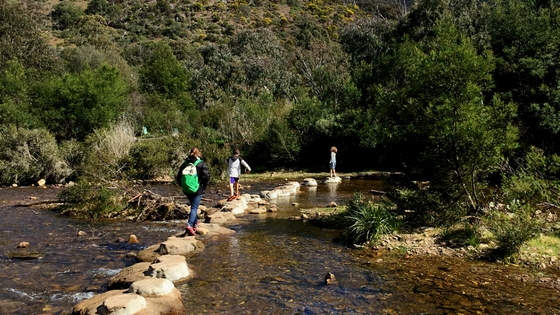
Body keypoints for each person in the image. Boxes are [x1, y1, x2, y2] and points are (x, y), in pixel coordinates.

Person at [176, 147, 210, 236]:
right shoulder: (201, 163)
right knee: (194, 208)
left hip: (187, 189)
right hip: (197, 189)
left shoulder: (185, 163)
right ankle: (189, 225)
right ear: (199, 153)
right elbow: (206, 177)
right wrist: (204, 186)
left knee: (193, 206)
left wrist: (183, 185)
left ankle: (194, 224)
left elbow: (178, 176)